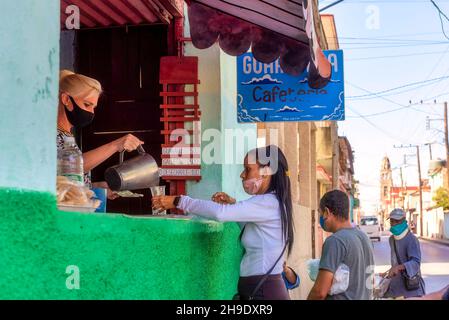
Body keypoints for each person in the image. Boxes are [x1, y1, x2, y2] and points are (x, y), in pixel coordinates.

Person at [152, 145, 294, 300]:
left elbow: (220, 214)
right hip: (259, 290)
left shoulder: (268, 202)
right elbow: (250, 227)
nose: (242, 175)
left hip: (265, 292)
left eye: (247, 169)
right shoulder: (270, 203)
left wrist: (179, 201)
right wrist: (233, 205)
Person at [57, 70, 144, 199]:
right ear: (66, 99)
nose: (91, 112)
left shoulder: (67, 135)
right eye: (87, 104)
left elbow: (67, 179)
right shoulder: (49, 135)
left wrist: (95, 187)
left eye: (94, 107)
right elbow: (73, 165)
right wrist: (116, 145)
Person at [307, 190, 375, 300]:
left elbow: (319, 292)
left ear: (327, 212)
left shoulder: (335, 241)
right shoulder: (364, 237)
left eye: (320, 213)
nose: (320, 218)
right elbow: (370, 280)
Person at [383, 208, 425, 298]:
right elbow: (396, 262)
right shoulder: (391, 239)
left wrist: (398, 268)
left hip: (411, 290)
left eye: (397, 221)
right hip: (396, 289)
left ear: (404, 221)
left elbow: (416, 263)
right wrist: (387, 273)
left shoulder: (411, 239)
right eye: (392, 221)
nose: (393, 224)